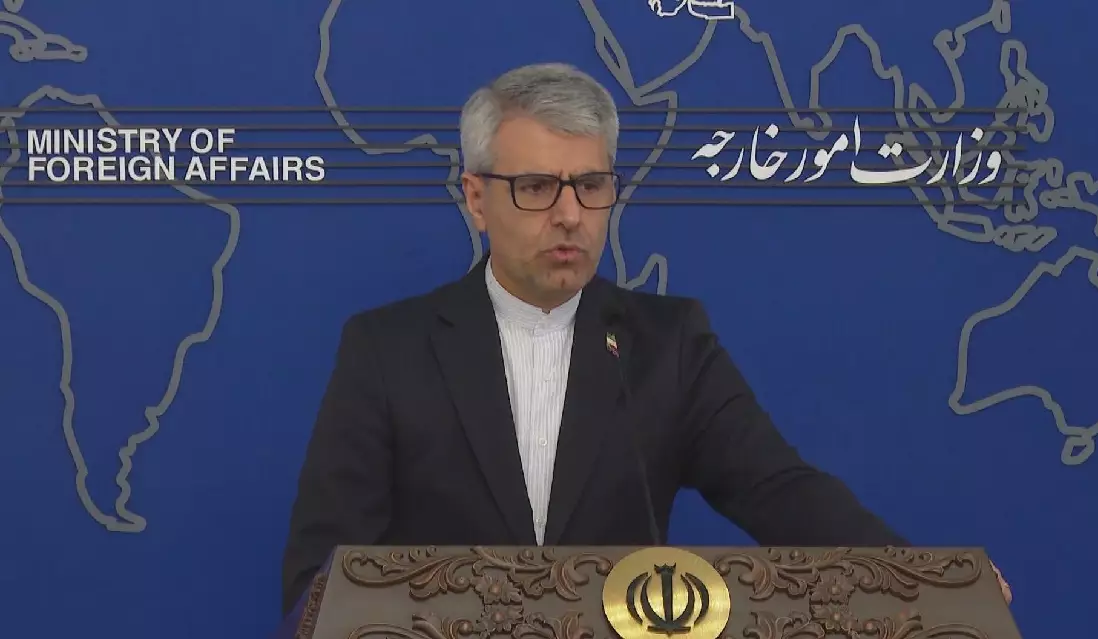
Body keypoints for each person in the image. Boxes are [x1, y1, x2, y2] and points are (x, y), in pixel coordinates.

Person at [280, 62, 1008, 615]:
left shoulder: (668, 345)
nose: (570, 214)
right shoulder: (387, 349)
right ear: (476, 198)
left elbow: (780, 489)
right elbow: (320, 575)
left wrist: (926, 581)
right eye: (536, 187)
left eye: (591, 185)